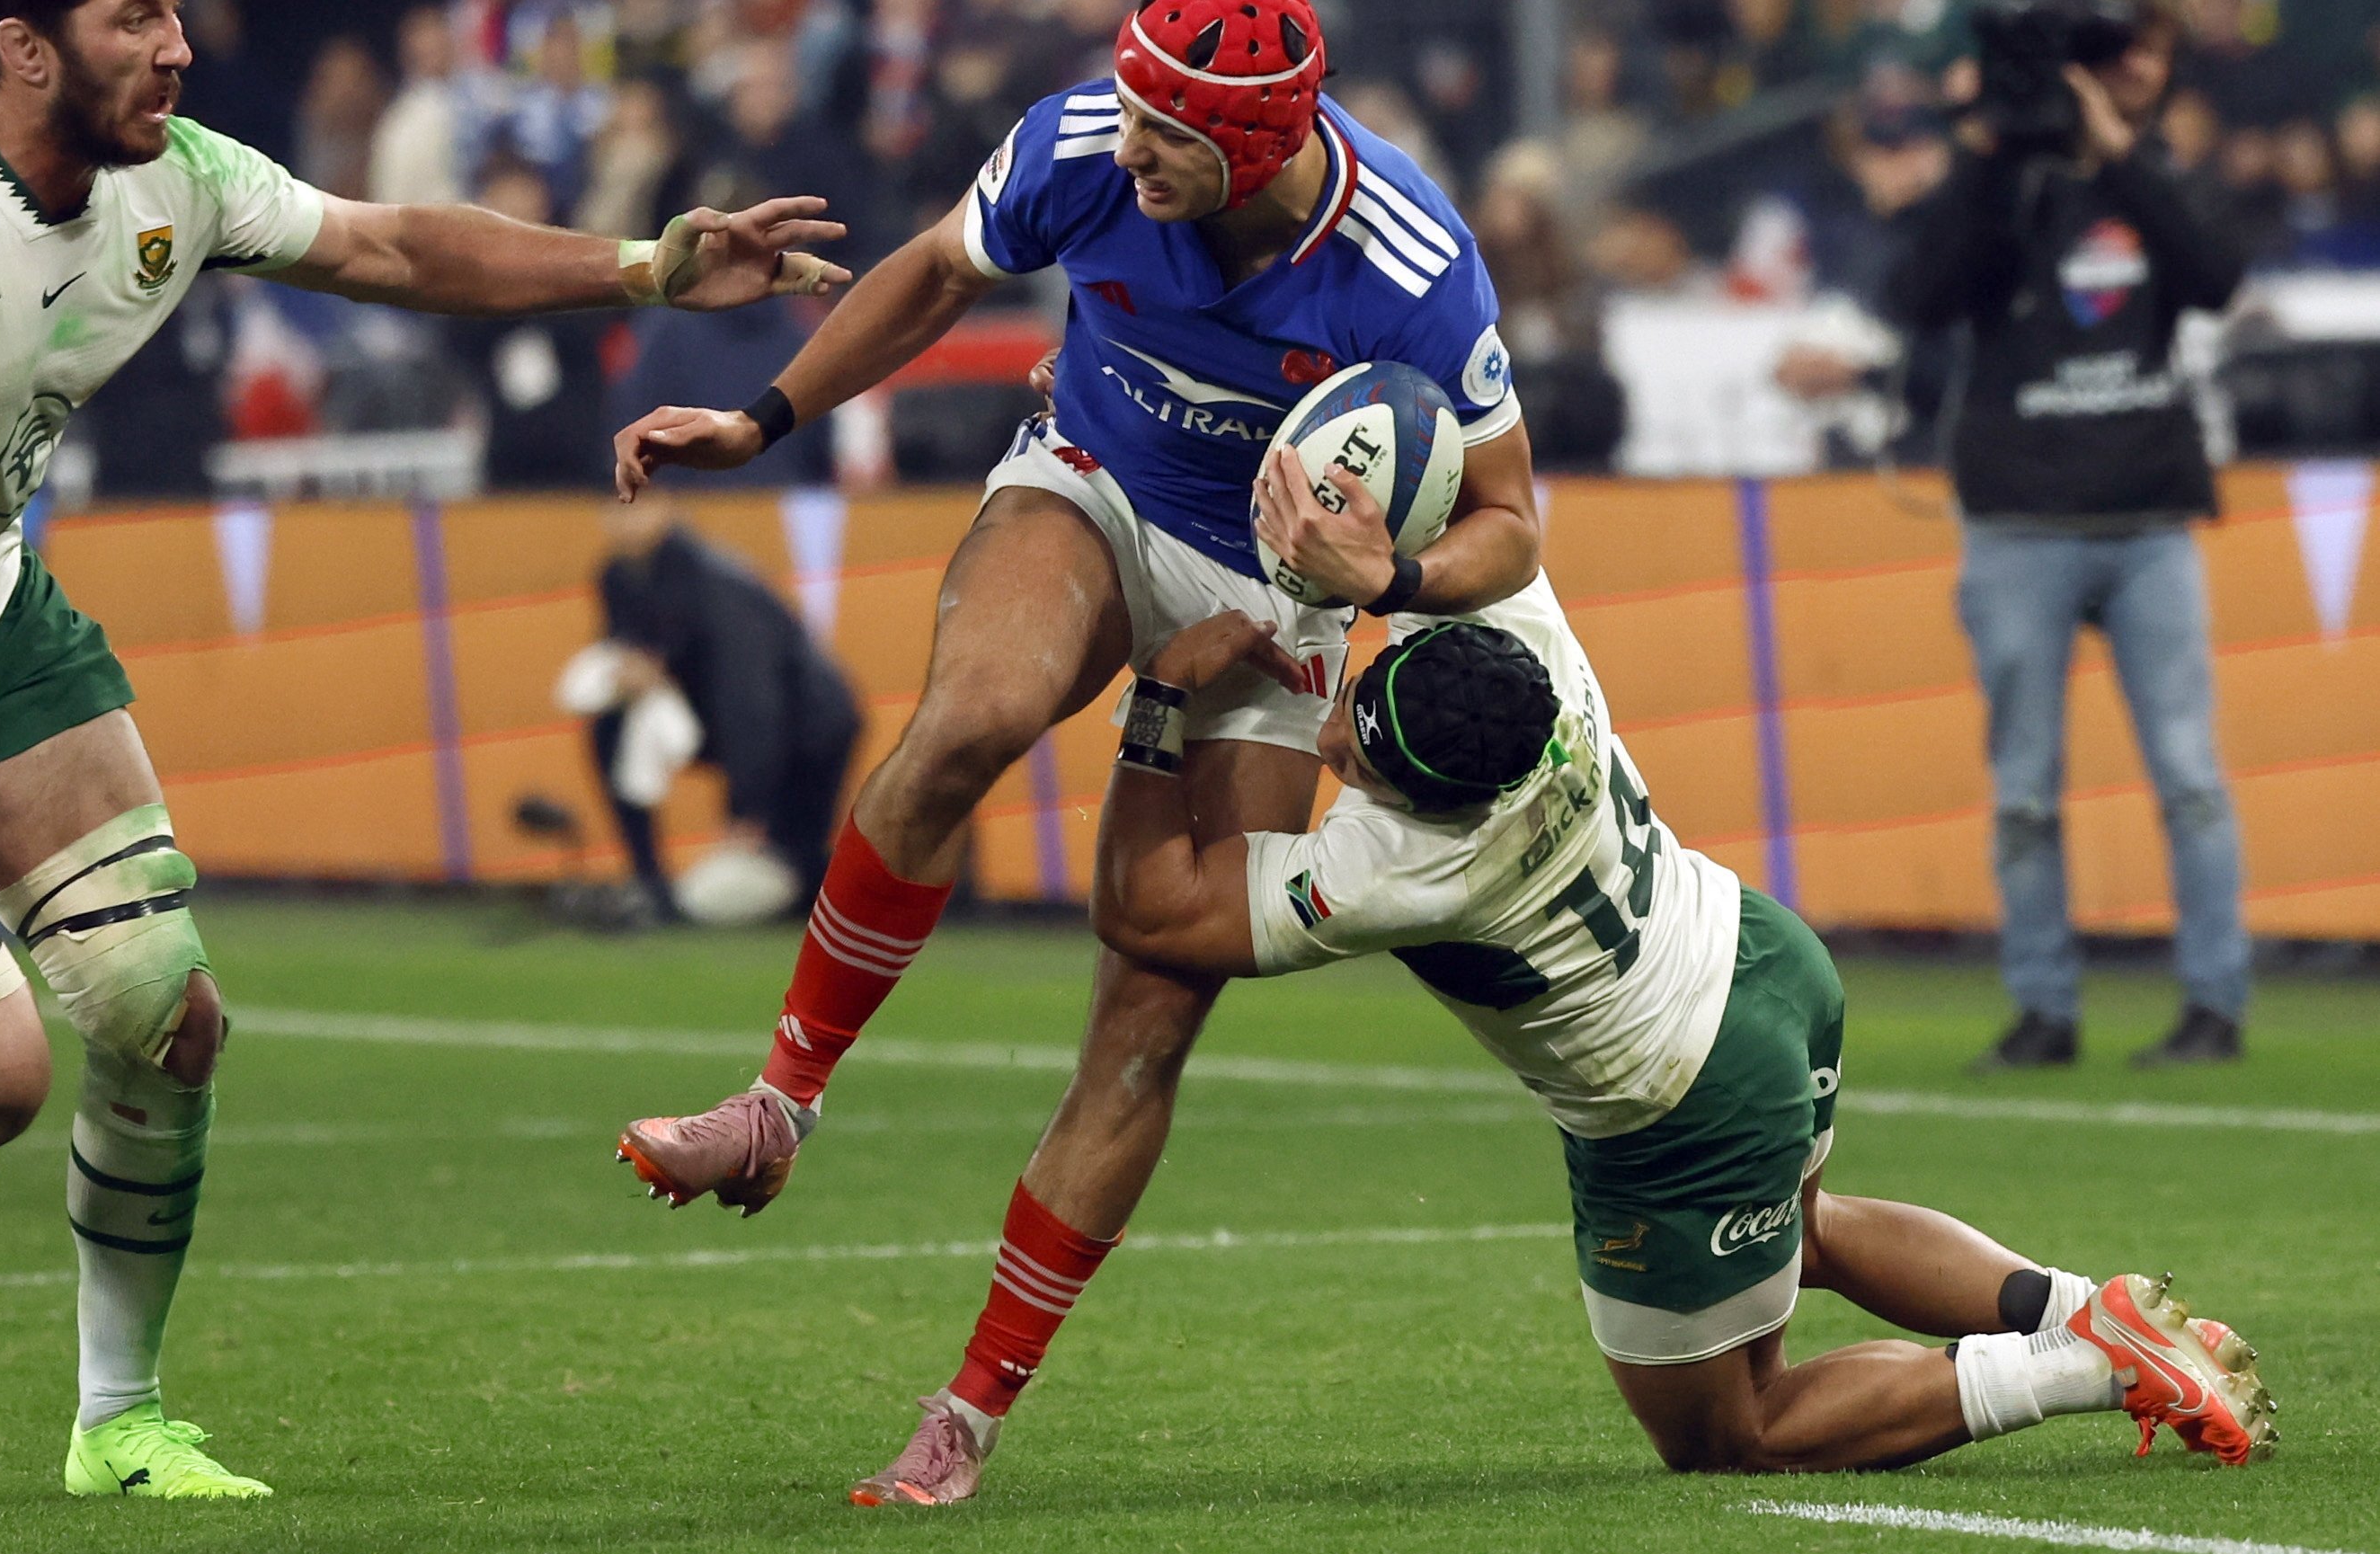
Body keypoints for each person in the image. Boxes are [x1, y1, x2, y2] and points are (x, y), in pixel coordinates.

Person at [0, 0, 848, 1502]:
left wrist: (639, 267)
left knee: (167, 1011)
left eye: (180, 8)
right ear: (21, 45)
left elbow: (392, 247)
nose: (180, 45)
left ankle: (118, 1420)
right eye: (138, 14)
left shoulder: (177, 176)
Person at [843, 592, 2274, 1501]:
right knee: (1802, 1225)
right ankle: (2088, 1301)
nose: (1332, 719)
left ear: (1414, 792)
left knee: (1731, 1429)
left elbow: (1141, 904)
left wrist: (1157, 697)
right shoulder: (1532, 650)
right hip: (1765, 963)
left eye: (1354, 723)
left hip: (1681, 1094)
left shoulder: (1405, 864)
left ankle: (2093, 1364)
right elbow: (1473, 528)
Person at [605, 0, 1539, 1279]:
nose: (1131, 141)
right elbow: (934, 270)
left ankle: (970, 1407)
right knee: (967, 720)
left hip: (1277, 586)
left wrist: (1380, 582)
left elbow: (1510, 521)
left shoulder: (1408, 257)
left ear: (1262, 139)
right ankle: (775, 1100)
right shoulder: (1078, 141)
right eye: (1128, 102)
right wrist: (758, 418)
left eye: (1169, 130)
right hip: (1090, 478)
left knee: (1149, 999)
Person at [1887, 0, 2251, 1070]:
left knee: (2188, 772)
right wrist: (1994, 154)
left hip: (2143, 510)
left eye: (2138, 56)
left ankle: (2213, 1006)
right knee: (2023, 789)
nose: (2119, 76)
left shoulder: (2156, 177)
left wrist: (2118, 156)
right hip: (2019, 515)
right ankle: (2042, 1007)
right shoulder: (2001, 178)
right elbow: (1921, 292)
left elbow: (2213, 276)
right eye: (2105, 58)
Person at [590, 499, 863, 917]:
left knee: (791, 860)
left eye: (636, 505)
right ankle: (649, 881)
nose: (622, 519)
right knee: (610, 724)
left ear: (668, 507)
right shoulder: (617, 577)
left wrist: (745, 810)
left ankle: (881, 900)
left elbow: (751, 701)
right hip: (715, 718)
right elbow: (633, 652)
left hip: (809, 726)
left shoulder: (713, 586)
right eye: (613, 506)